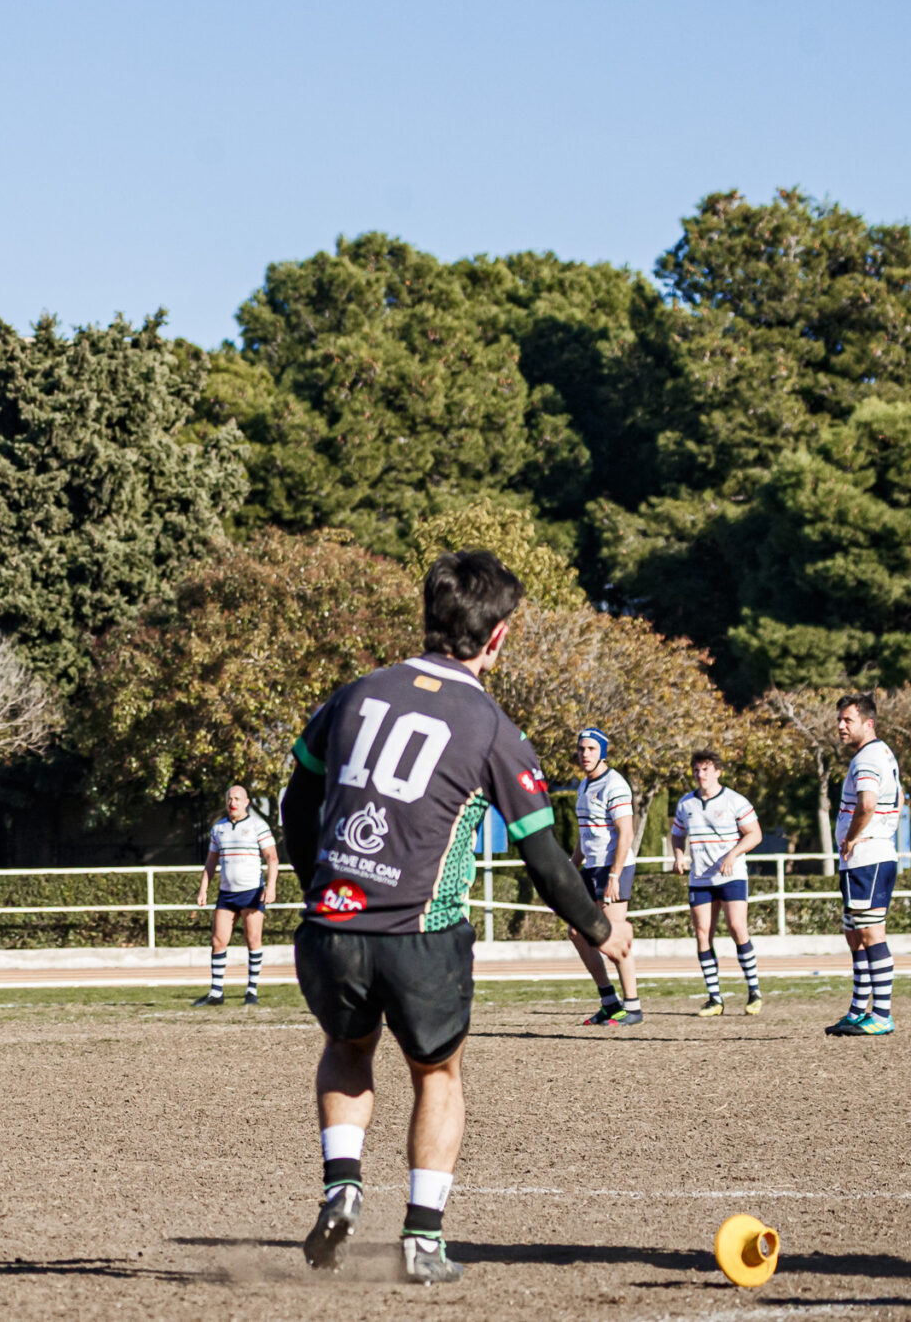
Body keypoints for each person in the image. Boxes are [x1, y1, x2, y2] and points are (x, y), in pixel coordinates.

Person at [284, 550, 632, 1286]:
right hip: (422, 936)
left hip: (329, 929)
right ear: (496, 636)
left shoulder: (354, 695)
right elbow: (544, 857)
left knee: (347, 1047)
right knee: (438, 1074)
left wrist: (319, 884)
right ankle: (422, 1239)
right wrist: (604, 929)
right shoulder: (490, 726)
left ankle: (342, 1185)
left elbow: (297, 799)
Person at [830, 693, 905, 1037]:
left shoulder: (869, 757)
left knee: (872, 933)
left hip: (867, 857)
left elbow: (868, 804)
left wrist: (853, 837)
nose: (841, 726)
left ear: (868, 723)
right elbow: (899, 797)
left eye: (848, 720)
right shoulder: (879, 753)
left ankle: (882, 1014)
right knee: (855, 933)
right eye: (839, 719)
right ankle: (859, 1010)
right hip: (865, 856)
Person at [669, 751, 763, 1016]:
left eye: (706, 769)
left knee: (736, 927)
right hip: (700, 878)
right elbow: (677, 834)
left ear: (718, 772)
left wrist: (733, 854)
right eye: (697, 770)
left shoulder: (735, 800)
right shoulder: (686, 803)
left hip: (731, 876)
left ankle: (754, 992)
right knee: (702, 933)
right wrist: (678, 855)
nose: (701, 775)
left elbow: (755, 834)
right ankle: (714, 999)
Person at [569, 729, 642, 1026]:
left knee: (612, 937)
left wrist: (614, 874)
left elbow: (626, 833)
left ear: (602, 752)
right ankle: (609, 1002)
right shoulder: (584, 785)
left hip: (612, 868)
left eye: (591, 748)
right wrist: (572, 866)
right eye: (581, 749)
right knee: (577, 933)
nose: (585, 754)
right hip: (591, 868)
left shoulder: (615, 784)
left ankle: (633, 1007)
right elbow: (585, 832)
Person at [191, 785, 279, 1007]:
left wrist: (271, 887)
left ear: (247, 802)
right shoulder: (218, 828)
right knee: (218, 940)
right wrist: (203, 889)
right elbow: (211, 861)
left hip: (252, 892)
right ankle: (216, 993)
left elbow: (272, 857)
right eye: (230, 798)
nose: (233, 802)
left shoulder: (258, 826)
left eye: (238, 799)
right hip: (226, 894)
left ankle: (251, 991)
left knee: (253, 940)